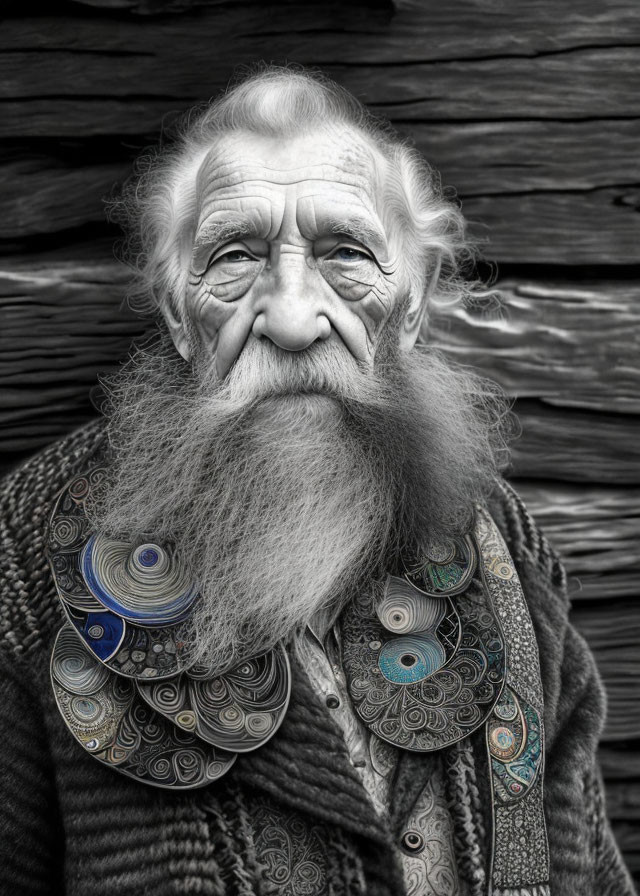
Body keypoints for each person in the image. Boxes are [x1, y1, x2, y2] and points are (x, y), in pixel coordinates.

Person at [0, 66, 635, 896]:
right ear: (176, 314)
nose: (294, 319)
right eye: (234, 257)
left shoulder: (500, 539)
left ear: (408, 308)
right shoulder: (25, 557)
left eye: (346, 254)